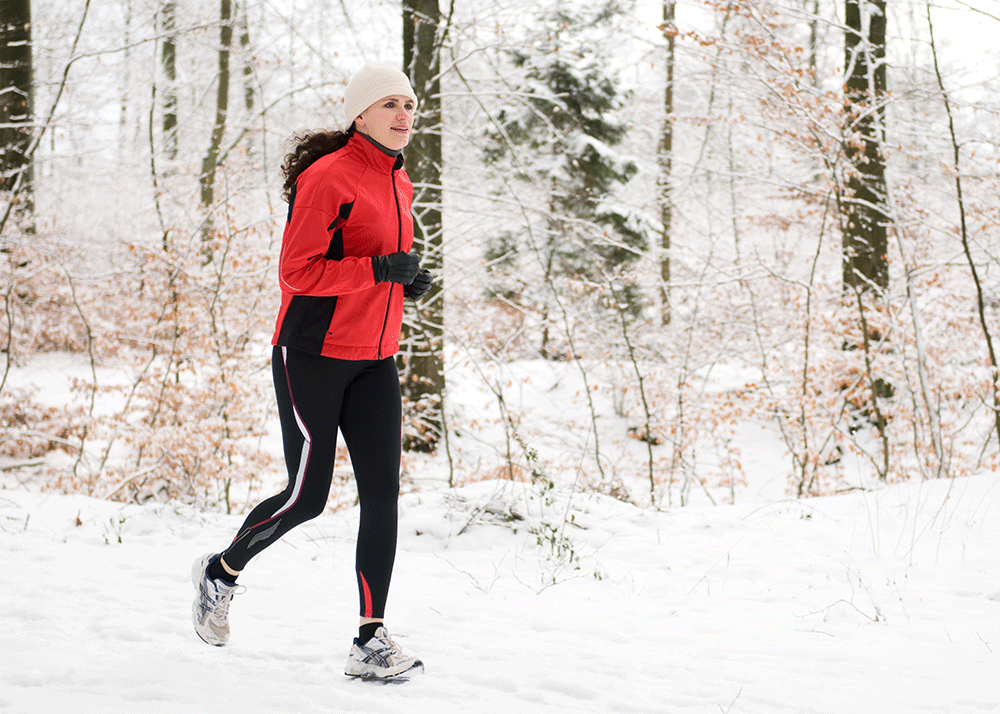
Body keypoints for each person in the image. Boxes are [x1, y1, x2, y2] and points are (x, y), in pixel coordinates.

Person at [191, 64, 431, 682]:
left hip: (376, 359)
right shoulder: (327, 179)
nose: (404, 114)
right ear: (359, 114)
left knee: (383, 498)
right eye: (389, 105)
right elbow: (298, 274)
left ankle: (369, 639)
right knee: (307, 496)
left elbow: (379, 260)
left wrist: (406, 278)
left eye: (409, 103)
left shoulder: (399, 178)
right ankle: (221, 571)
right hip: (313, 355)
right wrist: (381, 270)